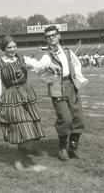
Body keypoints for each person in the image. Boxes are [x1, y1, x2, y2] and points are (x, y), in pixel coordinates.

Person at [0, 36, 60, 155]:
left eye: (14, 46)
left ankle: (23, 154)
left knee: (33, 127)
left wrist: (49, 65)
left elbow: (37, 65)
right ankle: (20, 158)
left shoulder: (23, 59)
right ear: (3, 49)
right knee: (21, 127)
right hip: (12, 97)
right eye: (9, 47)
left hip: (26, 95)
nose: (12, 49)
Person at [39, 26, 88, 161]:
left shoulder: (67, 51)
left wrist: (78, 79)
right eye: (48, 36)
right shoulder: (46, 56)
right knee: (66, 119)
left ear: (58, 36)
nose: (51, 37)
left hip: (71, 86)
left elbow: (77, 65)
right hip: (57, 88)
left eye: (54, 35)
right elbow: (39, 67)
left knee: (78, 118)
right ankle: (62, 146)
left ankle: (72, 148)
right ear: (45, 40)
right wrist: (47, 66)